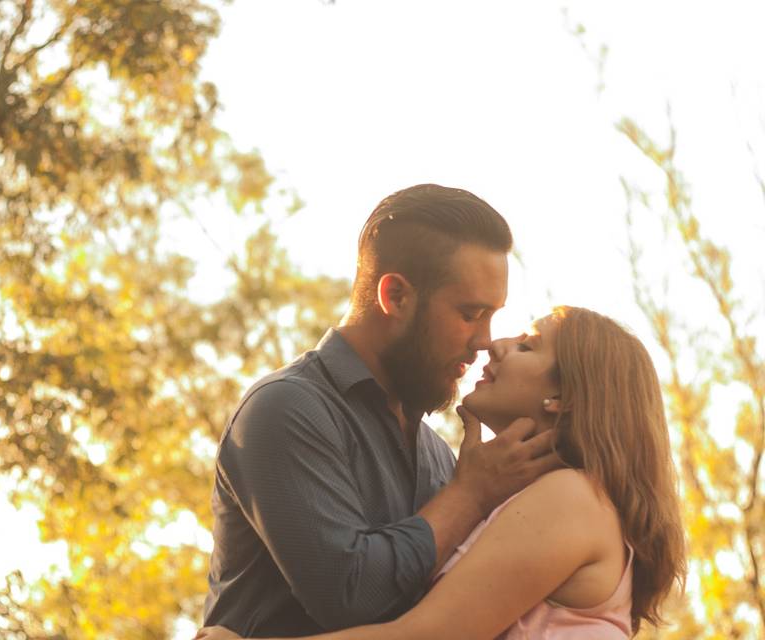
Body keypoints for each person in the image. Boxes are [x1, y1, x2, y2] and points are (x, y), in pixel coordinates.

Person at [196, 306, 687, 639]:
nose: (495, 344)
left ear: (562, 399)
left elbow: (423, 636)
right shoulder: (540, 501)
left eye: (528, 346)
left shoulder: (571, 500)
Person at [203, 185, 560, 635]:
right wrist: (469, 495)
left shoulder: (437, 455)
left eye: (492, 315)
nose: (485, 339)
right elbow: (349, 596)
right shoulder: (285, 410)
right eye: (471, 313)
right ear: (396, 296)